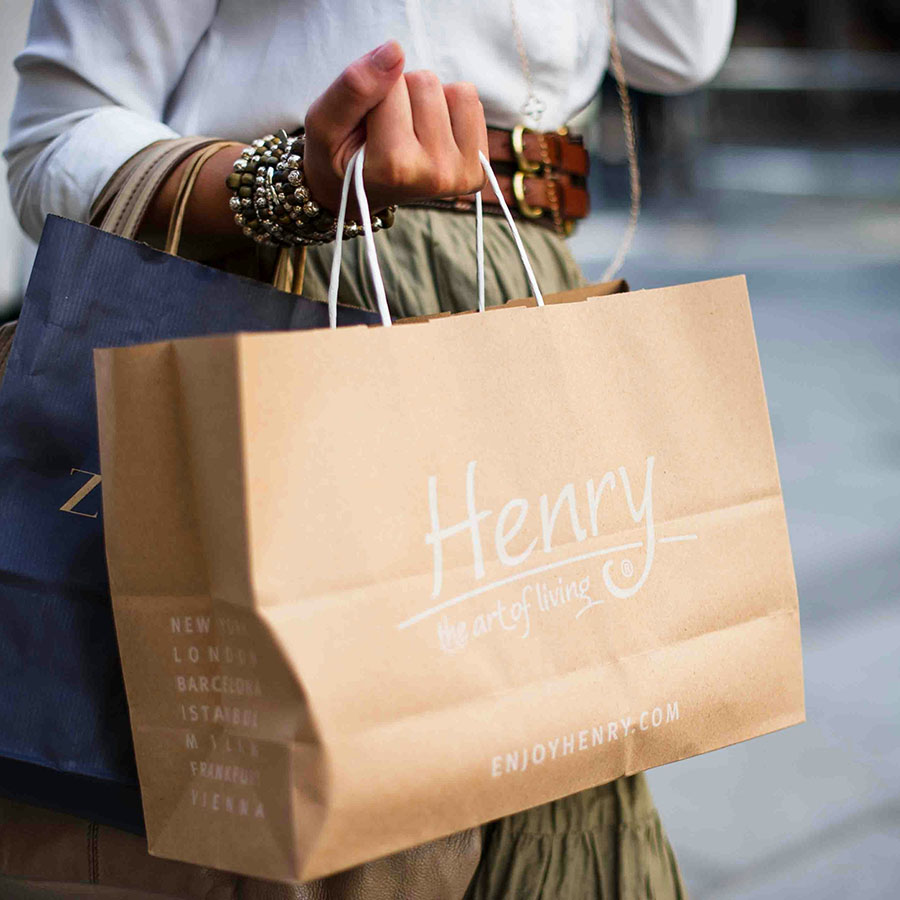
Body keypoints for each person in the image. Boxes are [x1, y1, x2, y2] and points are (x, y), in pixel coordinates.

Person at [2, 2, 735, 897]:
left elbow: (677, 49)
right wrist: (292, 183)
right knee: (333, 808)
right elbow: (55, 137)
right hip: (296, 297)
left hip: (520, 305)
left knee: (557, 768)